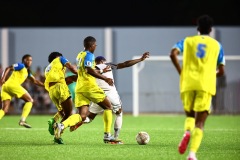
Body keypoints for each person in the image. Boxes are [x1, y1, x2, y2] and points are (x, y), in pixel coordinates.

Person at [170, 15, 225, 160]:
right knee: (200, 122)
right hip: (205, 85)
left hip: (188, 83)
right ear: (211, 29)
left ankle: (187, 132)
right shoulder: (217, 45)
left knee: (190, 116)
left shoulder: (187, 41)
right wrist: (211, 74)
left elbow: (173, 54)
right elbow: (222, 71)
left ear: (198, 28)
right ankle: (192, 154)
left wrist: (182, 73)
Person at [71, 52, 150, 143]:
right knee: (119, 113)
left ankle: (73, 122)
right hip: (110, 94)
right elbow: (124, 64)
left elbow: (77, 77)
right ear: (102, 61)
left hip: (98, 96)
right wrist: (140, 59)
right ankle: (115, 137)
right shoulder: (107, 65)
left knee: (89, 118)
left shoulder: (91, 70)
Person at [54, 36, 117, 143]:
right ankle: (107, 135)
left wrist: (100, 72)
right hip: (89, 86)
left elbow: (85, 70)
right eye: (95, 45)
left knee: (82, 116)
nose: (96, 47)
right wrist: (105, 78)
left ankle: (61, 125)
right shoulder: (89, 55)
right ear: (91, 45)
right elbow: (88, 70)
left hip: (80, 87)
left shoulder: (80, 54)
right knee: (108, 107)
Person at [0, 54, 44, 128]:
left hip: (6, 87)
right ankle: (22, 120)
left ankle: (22, 120)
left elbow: (35, 81)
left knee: (4, 109)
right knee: (30, 100)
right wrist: (3, 78)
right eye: (28, 60)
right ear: (24, 60)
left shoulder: (27, 72)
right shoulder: (21, 65)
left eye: (31, 60)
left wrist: (45, 85)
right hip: (12, 85)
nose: (29, 61)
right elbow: (8, 68)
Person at [44, 52, 78, 144]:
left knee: (63, 111)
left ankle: (54, 120)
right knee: (68, 113)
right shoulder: (60, 59)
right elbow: (71, 67)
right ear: (57, 57)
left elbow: (65, 79)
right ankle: (57, 135)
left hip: (51, 90)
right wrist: (79, 73)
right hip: (60, 88)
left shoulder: (48, 68)